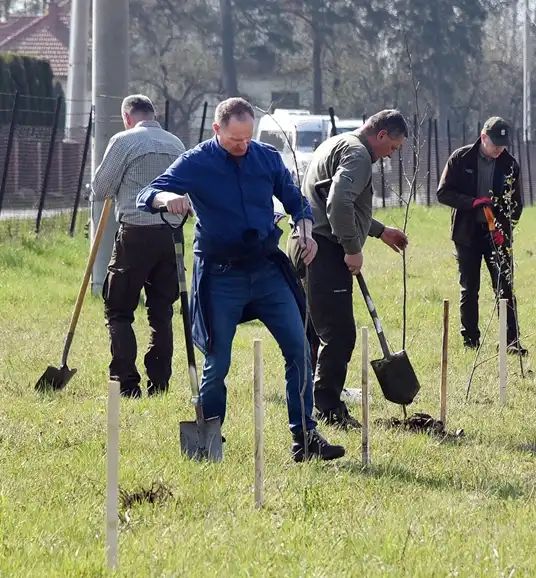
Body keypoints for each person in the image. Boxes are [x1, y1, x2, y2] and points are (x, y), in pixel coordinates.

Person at [136, 97, 345, 463]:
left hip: (266, 267)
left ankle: (305, 438)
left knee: (298, 348)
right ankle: (210, 439)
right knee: (218, 361)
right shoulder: (197, 161)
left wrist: (304, 228)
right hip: (220, 274)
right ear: (217, 130)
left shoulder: (265, 156)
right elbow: (147, 194)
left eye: (247, 137)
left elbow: (295, 199)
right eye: (235, 138)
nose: (242, 145)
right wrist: (168, 198)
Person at [287, 109, 409, 430]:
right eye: (392, 147)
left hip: (304, 242)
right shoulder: (358, 155)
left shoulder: (337, 143)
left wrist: (380, 230)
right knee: (338, 334)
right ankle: (328, 407)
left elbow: (333, 198)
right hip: (324, 250)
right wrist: (353, 250)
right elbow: (338, 203)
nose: (389, 155)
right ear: (381, 135)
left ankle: (309, 399)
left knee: (314, 332)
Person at [91, 94, 187, 399]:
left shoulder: (124, 140)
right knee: (161, 312)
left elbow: (101, 189)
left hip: (135, 234)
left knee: (118, 309)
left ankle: (126, 384)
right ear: (153, 115)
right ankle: (159, 385)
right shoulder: (176, 144)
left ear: (127, 117)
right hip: (171, 236)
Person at [436, 116, 526, 355]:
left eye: (503, 145)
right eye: (495, 144)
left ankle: (511, 342)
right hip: (466, 234)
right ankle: (470, 341)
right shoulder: (460, 158)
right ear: (483, 137)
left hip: (497, 236)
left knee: (505, 287)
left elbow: (516, 205)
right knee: (469, 288)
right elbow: (443, 193)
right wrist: (472, 202)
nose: (499, 149)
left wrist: (505, 231)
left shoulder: (510, 165)